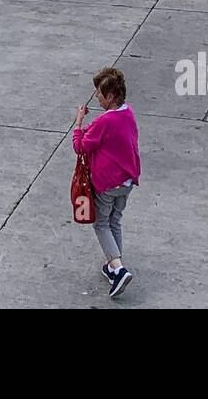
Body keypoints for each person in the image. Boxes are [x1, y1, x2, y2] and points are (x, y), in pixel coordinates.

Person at [73, 67, 141, 298]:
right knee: (115, 221)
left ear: (111, 96)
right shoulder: (128, 113)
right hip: (127, 181)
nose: (97, 98)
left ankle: (119, 268)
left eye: (100, 95)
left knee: (101, 224)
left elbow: (80, 146)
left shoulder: (105, 121)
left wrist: (79, 122)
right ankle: (113, 268)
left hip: (108, 184)